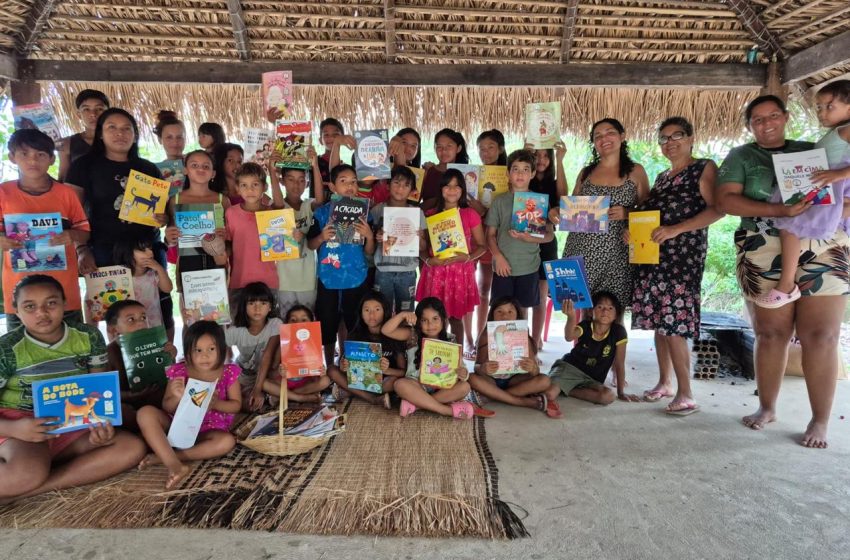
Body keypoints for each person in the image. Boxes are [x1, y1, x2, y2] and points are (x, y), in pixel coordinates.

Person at [716, 94, 850, 448]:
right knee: (771, 334)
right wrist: (781, 213)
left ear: (786, 117)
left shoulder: (816, 150)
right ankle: (767, 407)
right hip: (763, 246)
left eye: (773, 115)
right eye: (757, 119)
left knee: (821, 336)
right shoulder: (742, 156)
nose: (766, 123)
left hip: (826, 245)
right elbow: (726, 201)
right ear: (749, 126)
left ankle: (820, 421)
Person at [0, 275, 146, 500]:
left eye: (51, 303)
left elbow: (96, 391)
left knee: (132, 448)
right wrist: (16, 429)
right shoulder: (7, 348)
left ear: (64, 303)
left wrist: (99, 426)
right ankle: (31, 474)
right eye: (30, 306)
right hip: (23, 424)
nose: (42, 313)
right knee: (26, 473)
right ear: (16, 310)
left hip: (73, 421)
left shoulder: (88, 336)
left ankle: (32, 489)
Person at [631, 117, 721, 415]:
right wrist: (632, 230)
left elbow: (717, 209)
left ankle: (686, 393)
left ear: (691, 138)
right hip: (653, 258)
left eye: (676, 136)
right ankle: (664, 382)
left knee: (675, 323)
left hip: (682, 260)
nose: (670, 142)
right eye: (664, 138)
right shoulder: (662, 178)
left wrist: (677, 229)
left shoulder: (703, 167)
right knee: (660, 323)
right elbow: (650, 217)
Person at [758, 81, 850, 308]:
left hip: (833, 187)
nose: (822, 112)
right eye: (819, 107)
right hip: (830, 189)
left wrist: (838, 174)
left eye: (830, 106)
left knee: (789, 225)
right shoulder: (837, 131)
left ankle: (786, 285)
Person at [0, 129, 91, 330]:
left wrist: (71, 235)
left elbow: (84, 231)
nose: (33, 160)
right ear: (12, 158)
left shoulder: (66, 194)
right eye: (24, 154)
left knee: (73, 350)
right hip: (19, 291)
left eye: (40, 155)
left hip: (63, 290)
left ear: (51, 159)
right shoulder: (3, 193)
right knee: (22, 355)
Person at [562, 118, 650, 318]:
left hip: (618, 253)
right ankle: (585, 350)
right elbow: (572, 207)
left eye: (610, 132)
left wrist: (627, 213)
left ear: (622, 136)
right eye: (598, 136)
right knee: (584, 313)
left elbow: (648, 211)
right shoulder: (586, 173)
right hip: (582, 250)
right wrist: (558, 212)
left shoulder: (636, 171)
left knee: (613, 311)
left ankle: (615, 350)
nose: (604, 139)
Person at [137, 320, 240, 490]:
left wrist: (216, 404)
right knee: (145, 413)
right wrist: (177, 397)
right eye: (197, 350)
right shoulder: (180, 371)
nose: (204, 355)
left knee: (227, 442)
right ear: (188, 352)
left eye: (211, 349)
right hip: (176, 426)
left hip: (207, 432)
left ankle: (167, 456)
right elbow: (167, 406)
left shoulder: (228, 372)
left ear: (222, 349)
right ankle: (174, 465)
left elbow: (236, 405)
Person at [306, 163, 376, 366]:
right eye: (343, 181)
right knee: (328, 325)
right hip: (328, 277)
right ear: (332, 186)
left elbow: (369, 251)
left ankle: (350, 366)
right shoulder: (321, 213)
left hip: (357, 277)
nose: (350, 186)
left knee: (354, 324)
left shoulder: (366, 213)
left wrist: (369, 236)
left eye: (353, 182)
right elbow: (310, 245)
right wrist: (321, 237)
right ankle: (329, 365)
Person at [416, 169, 486, 351]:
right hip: (436, 272)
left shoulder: (470, 214)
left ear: (462, 190)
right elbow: (422, 249)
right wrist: (428, 261)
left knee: (456, 319)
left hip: (460, 275)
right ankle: (431, 362)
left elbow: (482, 246)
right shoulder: (430, 214)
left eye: (457, 186)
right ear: (441, 189)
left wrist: (468, 257)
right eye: (447, 186)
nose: (452, 190)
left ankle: (457, 361)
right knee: (434, 319)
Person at [486, 150, 555, 319]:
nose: (520, 174)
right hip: (503, 267)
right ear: (508, 173)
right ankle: (497, 346)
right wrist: (498, 257)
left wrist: (530, 238)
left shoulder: (539, 201)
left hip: (529, 268)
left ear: (532, 173)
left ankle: (522, 345)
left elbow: (549, 235)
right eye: (515, 169)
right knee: (500, 311)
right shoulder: (499, 201)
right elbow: (490, 235)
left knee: (522, 312)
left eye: (525, 169)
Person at [381, 297, 475, 419]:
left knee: (465, 387)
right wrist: (403, 315)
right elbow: (386, 330)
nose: (430, 325)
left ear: (443, 319)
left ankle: (417, 405)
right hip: (416, 384)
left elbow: (461, 366)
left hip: (442, 387)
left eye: (435, 319)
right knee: (400, 384)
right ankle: (446, 410)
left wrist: (464, 373)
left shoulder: (450, 338)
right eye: (424, 320)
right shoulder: (412, 335)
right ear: (418, 321)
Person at [164, 150, 229, 322]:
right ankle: (192, 347)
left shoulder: (222, 200)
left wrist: (225, 235)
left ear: (213, 173)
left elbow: (232, 235)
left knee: (218, 316)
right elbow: (171, 235)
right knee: (191, 317)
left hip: (216, 261)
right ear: (185, 170)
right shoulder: (175, 200)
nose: (200, 169)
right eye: (194, 165)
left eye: (206, 166)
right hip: (187, 262)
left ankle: (220, 348)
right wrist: (169, 237)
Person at [470, 296, 562, 418]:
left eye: (510, 311)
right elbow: (476, 367)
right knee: (471, 378)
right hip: (491, 380)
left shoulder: (522, 334)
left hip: (515, 381)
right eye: (499, 311)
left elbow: (535, 372)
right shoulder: (485, 335)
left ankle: (492, 397)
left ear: (517, 315)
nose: (504, 316)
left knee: (544, 380)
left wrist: (532, 368)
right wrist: (483, 369)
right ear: (492, 315)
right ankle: (522, 401)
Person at [546, 292, 640, 405]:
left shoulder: (619, 332)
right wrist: (571, 317)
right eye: (600, 307)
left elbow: (620, 363)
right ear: (591, 311)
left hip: (592, 379)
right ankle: (561, 386)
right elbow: (569, 336)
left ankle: (568, 390)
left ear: (616, 314)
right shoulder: (585, 325)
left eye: (610, 308)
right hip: (570, 369)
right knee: (550, 394)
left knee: (608, 396)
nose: (605, 311)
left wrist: (621, 392)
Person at [267, 147, 324, 317]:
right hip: (284, 280)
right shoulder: (278, 206)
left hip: (307, 278)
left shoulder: (308, 205)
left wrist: (314, 166)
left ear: (307, 182)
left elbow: (320, 200)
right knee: (287, 322)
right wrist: (271, 169)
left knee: (308, 320)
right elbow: (277, 202)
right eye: (290, 179)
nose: (296, 184)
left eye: (301, 180)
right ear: (282, 181)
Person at [104, 299, 178, 432]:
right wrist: (132, 395)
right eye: (131, 320)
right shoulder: (109, 353)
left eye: (143, 318)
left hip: (160, 403)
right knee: (123, 411)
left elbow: (171, 376)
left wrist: (171, 357)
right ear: (113, 328)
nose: (140, 323)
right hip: (132, 407)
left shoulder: (158, 344)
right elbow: (106, 394)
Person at [467, 129, 508, 357]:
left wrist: (484, 211)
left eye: (491, 147)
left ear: (501, 149)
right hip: (471, 235)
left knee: (486, 289)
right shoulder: (472, 174)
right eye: (481, 148)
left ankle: (483, 337)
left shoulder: (509, 176)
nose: (486, 152)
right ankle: (469, 340)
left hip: (496, 238)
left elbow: (511, 210)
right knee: (468, 288)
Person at [327, 292, 405, 407]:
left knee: (395, 382)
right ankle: (372, 398)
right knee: (331, 370)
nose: (372, 315)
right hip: (358, 379)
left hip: (384, 382)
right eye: (367, 310)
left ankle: (352, 392)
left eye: (377, 309)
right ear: (361, 313)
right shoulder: (355, 334)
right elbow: (344, 364)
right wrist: (344, 367)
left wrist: (387, 370)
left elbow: (403, 372)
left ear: (385, 311)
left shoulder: (394, 336)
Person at [526, 141, 568, 350]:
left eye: (546, 156)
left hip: (547, 242)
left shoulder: (553, 182)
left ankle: (537, 337)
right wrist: (526, 156)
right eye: (537, 155)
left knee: (542, 294)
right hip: (524, 242)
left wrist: (560, 159)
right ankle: (525, 339)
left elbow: (563, 198)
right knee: (525, 293)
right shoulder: (525, 180)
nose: (541, 160)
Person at [371, 166, 427, 313]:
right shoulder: (377, 210)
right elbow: (369, 242)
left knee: (406, 312)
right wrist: (376, 237)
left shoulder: (417, 214)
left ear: (412, 191)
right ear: (388, 186)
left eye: (406, 185)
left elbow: (422, 247)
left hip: (407, 271)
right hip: (383, 270)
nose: (400, 188)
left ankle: (404, 335)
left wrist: (420, 238)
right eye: (397, 183)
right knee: (382, 311)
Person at [225, 282, 283, 411]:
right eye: (251, 303)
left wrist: (257, 389)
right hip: (243, 376)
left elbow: (267, 356)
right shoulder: (236, 331)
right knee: (248, 404)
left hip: (266, 375)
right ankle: (262, 399)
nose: (257, 309)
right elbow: (220, 353)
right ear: (244, 306)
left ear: (270, 307)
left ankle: (292, 397)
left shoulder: (275, 324)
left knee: (276, 387)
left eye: (263, 303)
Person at [225, 162, 278, 293]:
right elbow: (227, 246)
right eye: (244, 185)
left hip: (268, 281)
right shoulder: (231, 213)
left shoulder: (272, 215)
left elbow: (282, 246)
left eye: (255, 184)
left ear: (264, 187)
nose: (250, 190)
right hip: (239, 281)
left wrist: (293, 237)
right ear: (237, 188)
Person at [265, 305, 332, 404]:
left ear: (311, 322)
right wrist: (279, 371)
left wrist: (322, 372)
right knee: (263, 383)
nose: (298, 323)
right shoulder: (283, 345)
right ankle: (299, 398)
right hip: (285, 382)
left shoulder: (314, 343)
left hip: (305, 384)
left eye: (304, 320)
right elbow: (271, 374)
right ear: (287, 324)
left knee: (325, 380)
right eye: (293, 320)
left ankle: (285, 396)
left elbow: (318, 372)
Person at [111, 236, 173, 332]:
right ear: (128, 253)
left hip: (153, 325)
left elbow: (167, 289)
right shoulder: (118, 276)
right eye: (143, 250)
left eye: (150, 249)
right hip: (129, 329)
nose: (150, 253)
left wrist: (159, 268)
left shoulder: (153, 273)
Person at [57, 89, 110, 182]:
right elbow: (63, 179)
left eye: (99, 109)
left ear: (108, 113)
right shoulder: (67, 144)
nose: (93, 114)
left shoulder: (118, 141)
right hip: (78, 195)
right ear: (79, 115)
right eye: (86, 109)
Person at [419, 129, 472, 210]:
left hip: (460, 221)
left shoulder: (468, 175)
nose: (444, 150)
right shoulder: (427, 171)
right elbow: (414, 205)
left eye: (449, 146)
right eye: (439, 146)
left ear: (458, 148)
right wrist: (438, 199)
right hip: (429, 220)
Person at [153, 110, 187, 198]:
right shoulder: (154, 170)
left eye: (179, 137)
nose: (175, 142)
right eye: (169, 137)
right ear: (160, 140)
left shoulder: (198, 163)